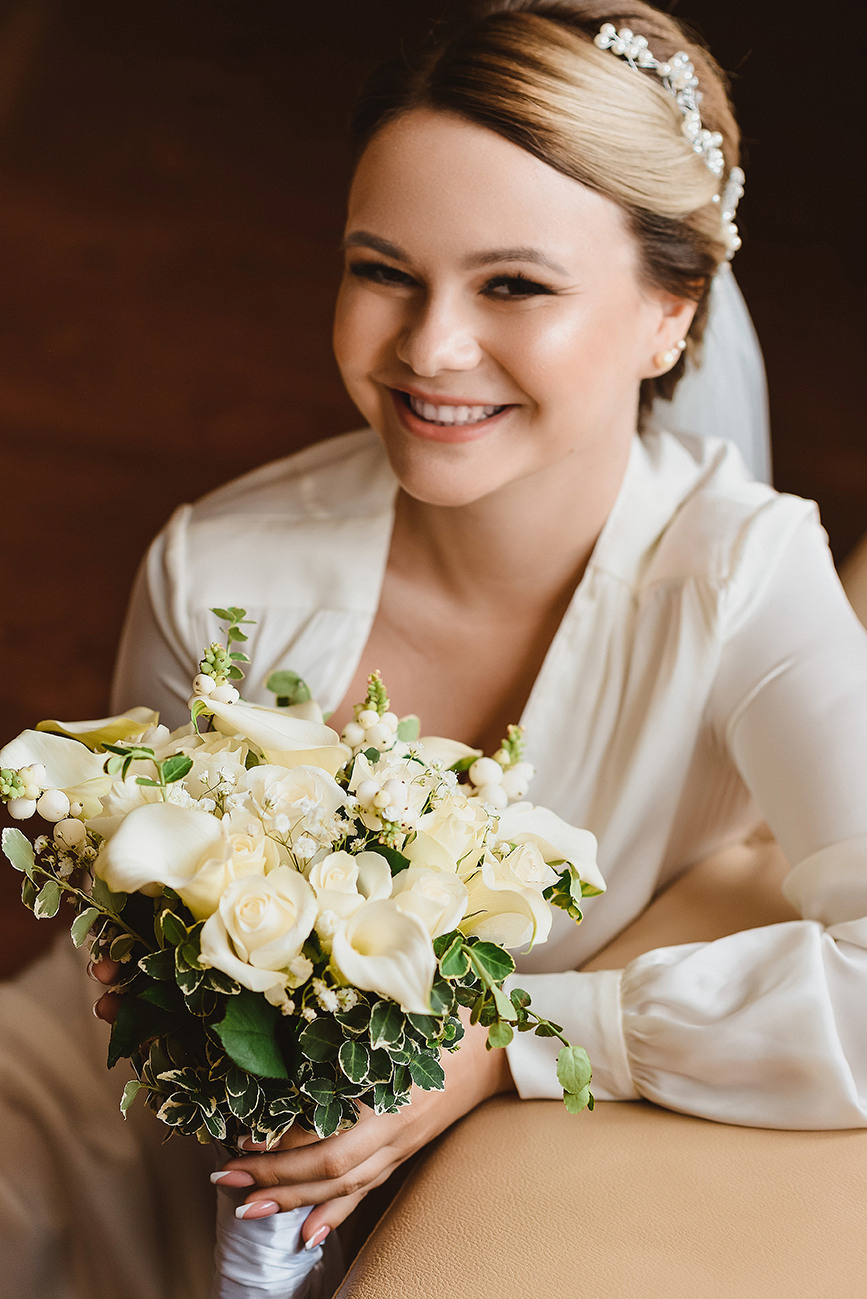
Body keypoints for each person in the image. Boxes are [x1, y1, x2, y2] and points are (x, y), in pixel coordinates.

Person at [5, 0, 866, 1294]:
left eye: (513, 283)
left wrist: (508, 1038)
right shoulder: (215, 569)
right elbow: (123, 926)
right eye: (381, 268)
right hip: (126, 1133)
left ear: (669, 315)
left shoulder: (741, 579)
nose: (431, 348)